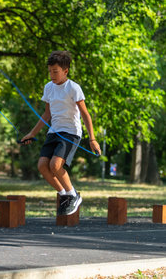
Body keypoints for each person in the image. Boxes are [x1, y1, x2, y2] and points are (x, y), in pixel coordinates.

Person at [21, 51, 101, 216]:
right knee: (43, 166)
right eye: (50, 71)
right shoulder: (48, 87)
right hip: (54, 131)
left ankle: (73, 194)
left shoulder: (73, 88)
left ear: (66, 71)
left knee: (55, 166)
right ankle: (64, 194)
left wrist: (92, 139)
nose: (52, 75)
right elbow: (46, 115)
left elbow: (85, 115)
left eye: (55, 71)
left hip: (71, 133)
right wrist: (31, 133)